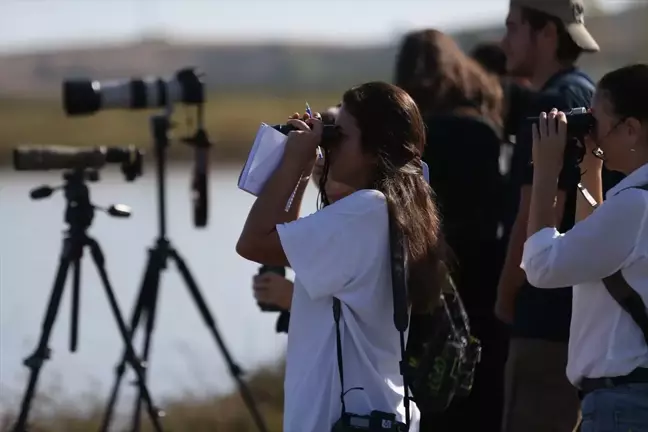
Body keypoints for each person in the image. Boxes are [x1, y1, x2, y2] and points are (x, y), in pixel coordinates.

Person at [237, 82, 445, 432]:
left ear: (373, 149)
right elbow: (284, 242)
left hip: (343, 419)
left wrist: (294, 161)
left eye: (339, 136)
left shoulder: (366, 211)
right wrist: (305, 168)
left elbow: (254, 242)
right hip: (368, 416)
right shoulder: (393, 211)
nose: (328, 144)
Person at [495, 1, 625, 430]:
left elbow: (538, 206)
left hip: (543, 317)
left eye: (513, 28)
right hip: (576, 320)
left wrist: (505, 294)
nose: (503, 41)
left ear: (547, 34)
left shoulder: (553, 106)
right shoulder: (587, 94)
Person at [521, 63, 648, 431]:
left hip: (624, 404)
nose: (592, 130)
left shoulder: (635, 207)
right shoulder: (634, 205)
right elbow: (595, 245)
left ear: (630, 129)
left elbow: (542, 266)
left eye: (597, 120)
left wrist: (546, 170)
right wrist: (591, 165)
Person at [394, 29, 509, 432]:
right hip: (482, 275)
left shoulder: (407, 136)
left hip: (423, 273)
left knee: (427, 388)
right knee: (478, 394)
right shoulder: (482, 129)